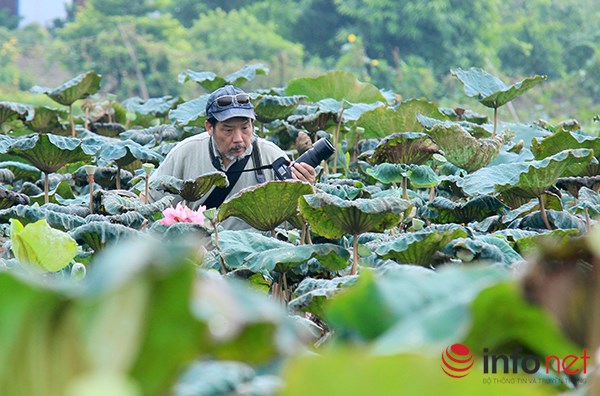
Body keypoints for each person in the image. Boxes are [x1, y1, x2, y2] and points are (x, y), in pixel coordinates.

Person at [147, 85, 316, 230]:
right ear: (209, 127)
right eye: (228, 130)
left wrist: (307, 191)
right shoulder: (185, 152)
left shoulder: (272, 156)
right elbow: (148, 202)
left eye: (245, 128)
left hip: (256, 258)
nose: (238, 138)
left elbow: (302, 220)